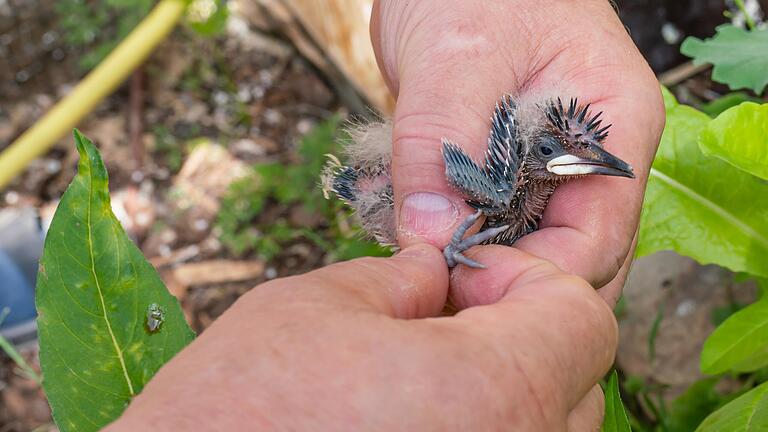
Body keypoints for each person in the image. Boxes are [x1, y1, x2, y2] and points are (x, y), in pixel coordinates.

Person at [106, 0, 664, 430]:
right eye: (552, 154)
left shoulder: (526, 188)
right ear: (528, 155)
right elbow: (450, 161)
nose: (574, 166)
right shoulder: (497, 190)